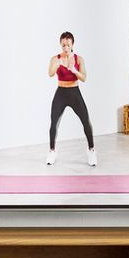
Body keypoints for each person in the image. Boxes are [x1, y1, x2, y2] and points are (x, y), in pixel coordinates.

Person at [45, 30, 96, 165]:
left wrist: (74, 70)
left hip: (74, 93)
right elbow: (50, 73)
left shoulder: (79, 59)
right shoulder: (55, 59)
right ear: (60, 45)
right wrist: (55, 66)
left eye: (68, 45)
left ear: (72, 44)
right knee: (54, 122)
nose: (66, 48)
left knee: (86, 121)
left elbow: (84, 78)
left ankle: (91, 151)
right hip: (61, 93)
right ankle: (51, 151)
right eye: (63, 45)